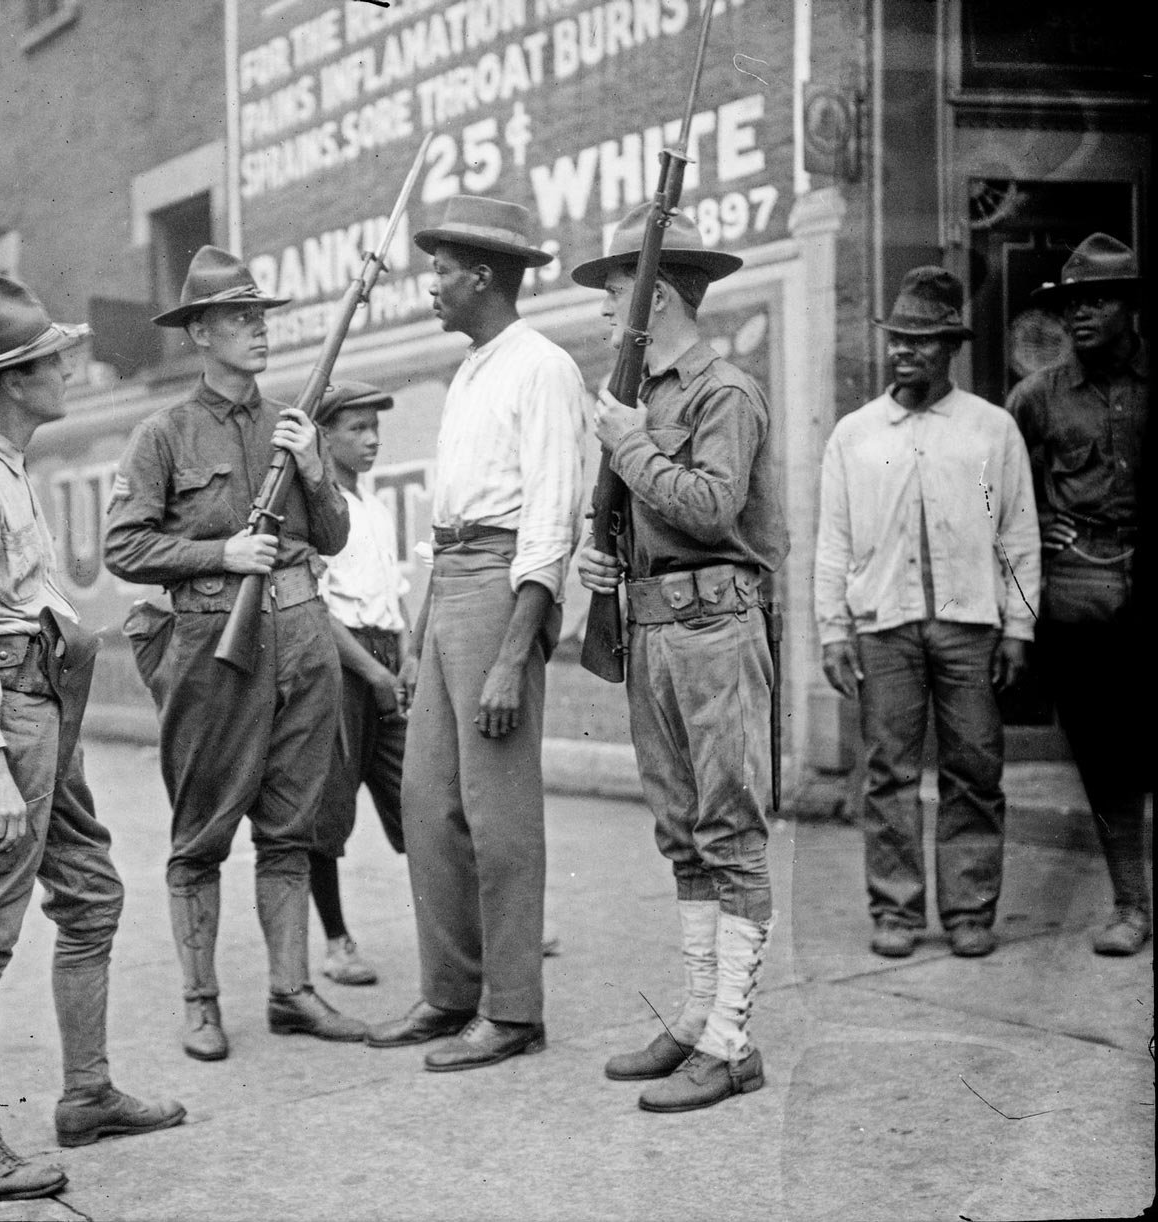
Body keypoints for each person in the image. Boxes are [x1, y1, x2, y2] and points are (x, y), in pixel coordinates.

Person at [0, 275, 182, 1202]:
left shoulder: (4, 464)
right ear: (16, 378)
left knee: (90, 894)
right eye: (54, 357)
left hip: (40, 706)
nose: (70, 366)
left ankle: (87, 1094)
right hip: (2, 720)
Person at [103, 246, 366, 1062]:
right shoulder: (164, 435)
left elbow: (333, 537)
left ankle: (291, 994)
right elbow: (124, 546)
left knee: (291, 827)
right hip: (214, 645)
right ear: (199, 337)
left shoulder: (295, 421)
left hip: (301, 634)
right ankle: (201, 1001)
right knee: (202, 831)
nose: (257, 332)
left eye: (260, 318)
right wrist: (220, 556)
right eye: (238, 320)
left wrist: (317, 470)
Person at [572, 202, 788, 1113]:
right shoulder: (651, 397)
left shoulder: (721, 393)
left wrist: (625, 446)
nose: (604, 313)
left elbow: (711, 509)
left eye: (616, 293)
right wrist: (605, 555)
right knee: (681, 829)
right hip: (656, 627)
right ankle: (699, 1018)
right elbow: (656, 524)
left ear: (656, 295)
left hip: (714, 628)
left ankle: (733, 1042)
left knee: (730, 832)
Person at [367, 195, 586, 1072]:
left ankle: (513, 1011)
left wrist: (512, 654)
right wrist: (421, 636)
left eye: (443, 271)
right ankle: (452, 991)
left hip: (503, 591)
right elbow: (448, 524)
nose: (432, 285)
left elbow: (551, 519)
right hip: (452, 583)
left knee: (500, 817)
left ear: (486, 276)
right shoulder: (470, 370)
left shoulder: (543, 368)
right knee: (428, 804)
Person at [815, 266, 1039, 962]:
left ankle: (970, 909)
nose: (905, 352)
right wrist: (832, 629)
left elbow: (1018, 533)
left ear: (951, 348)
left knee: (975, 767)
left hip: (969, 625)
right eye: (898, 339)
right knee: (888, 771)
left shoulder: (990, 428)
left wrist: (1019, 627)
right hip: (885, 626)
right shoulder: (854, 434)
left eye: (922, 341)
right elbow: (835, 542)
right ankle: (897, 911)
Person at [1007, 234, 1150, 955]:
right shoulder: (1037, 397)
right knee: (1108, 756)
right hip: (1080, 599)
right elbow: (994, 490)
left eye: (1097, 299)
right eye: (1070, 305)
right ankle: (1131, 905)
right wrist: (1040, 525)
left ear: (1130, 307)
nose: (1080, 316)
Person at [311, 381, 412, 987]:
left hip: (385, 662)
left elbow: (391, 596)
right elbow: (318, 609)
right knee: (327, 809)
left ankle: (472, 925)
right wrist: (372, 672)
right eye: (357, 428)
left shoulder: (373, 507)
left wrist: (403, 660)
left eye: (376, 427)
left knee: (423, 801)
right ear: (324, 436)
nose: (372, 439)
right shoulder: (320, 511)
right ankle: (337, 940)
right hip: (342, 667)